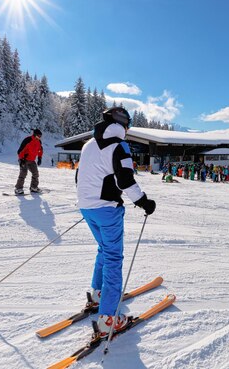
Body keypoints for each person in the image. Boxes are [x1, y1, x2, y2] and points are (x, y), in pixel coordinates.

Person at [76, 107, 156, 337]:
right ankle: (108, 319)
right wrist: (143, 202)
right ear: (123, 124)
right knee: (113, 258)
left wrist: (91, 199)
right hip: (106, 209)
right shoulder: (119, 146)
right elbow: (126, 180)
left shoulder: (88, 145)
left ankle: (97, 294)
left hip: (86, 206)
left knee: (103, 249)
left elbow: (79, 176)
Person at [14, 129, 43, 194]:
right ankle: (18, 188)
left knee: (35, 173)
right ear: (35, 135)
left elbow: (40, 150)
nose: (39, 137)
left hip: (32, 160)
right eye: (39, 136)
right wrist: (21, 159)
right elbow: (20, 151)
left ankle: (33, 187)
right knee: (23, 173)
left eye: (40, 136)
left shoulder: (39, 142)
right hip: (24, 159)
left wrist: (39, 158)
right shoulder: (28, 140)